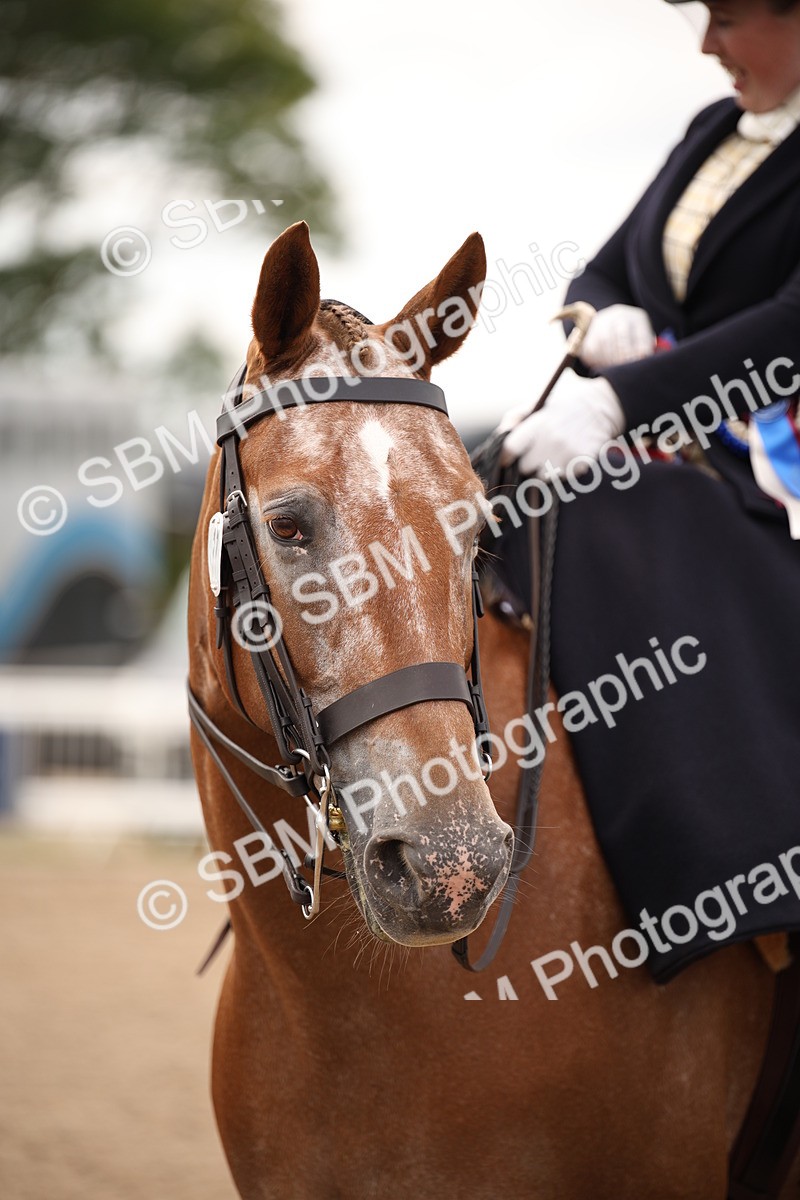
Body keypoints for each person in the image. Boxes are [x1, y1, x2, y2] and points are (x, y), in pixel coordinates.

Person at [497, 0, 800, 981]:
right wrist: (605, 311)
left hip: (773, 458)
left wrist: (616, 405)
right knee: (502, 483)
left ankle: (729, 864)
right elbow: (600, 263)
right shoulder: (712, 131)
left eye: (728, 15)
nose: (706, 42)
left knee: (639, 516)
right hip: (678, 439)